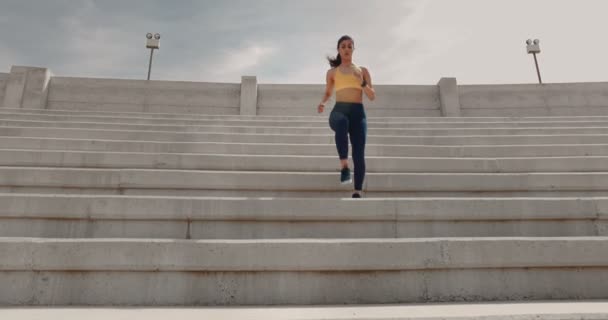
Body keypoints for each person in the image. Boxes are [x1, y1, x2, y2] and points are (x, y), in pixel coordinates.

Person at [317, 35, 376, 198]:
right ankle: (344, 166)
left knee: (359, 153)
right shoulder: (332, 72)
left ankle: (357, 190)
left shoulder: (362, 71)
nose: (346, 49)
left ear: (353, 49)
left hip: (358, 113)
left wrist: (362, 82)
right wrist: (322, 102)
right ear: (338, 50)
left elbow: (372, 96)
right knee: (341, 122)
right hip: (339, 110)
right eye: (343, 46)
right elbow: (329, 91)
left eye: (350, 46)